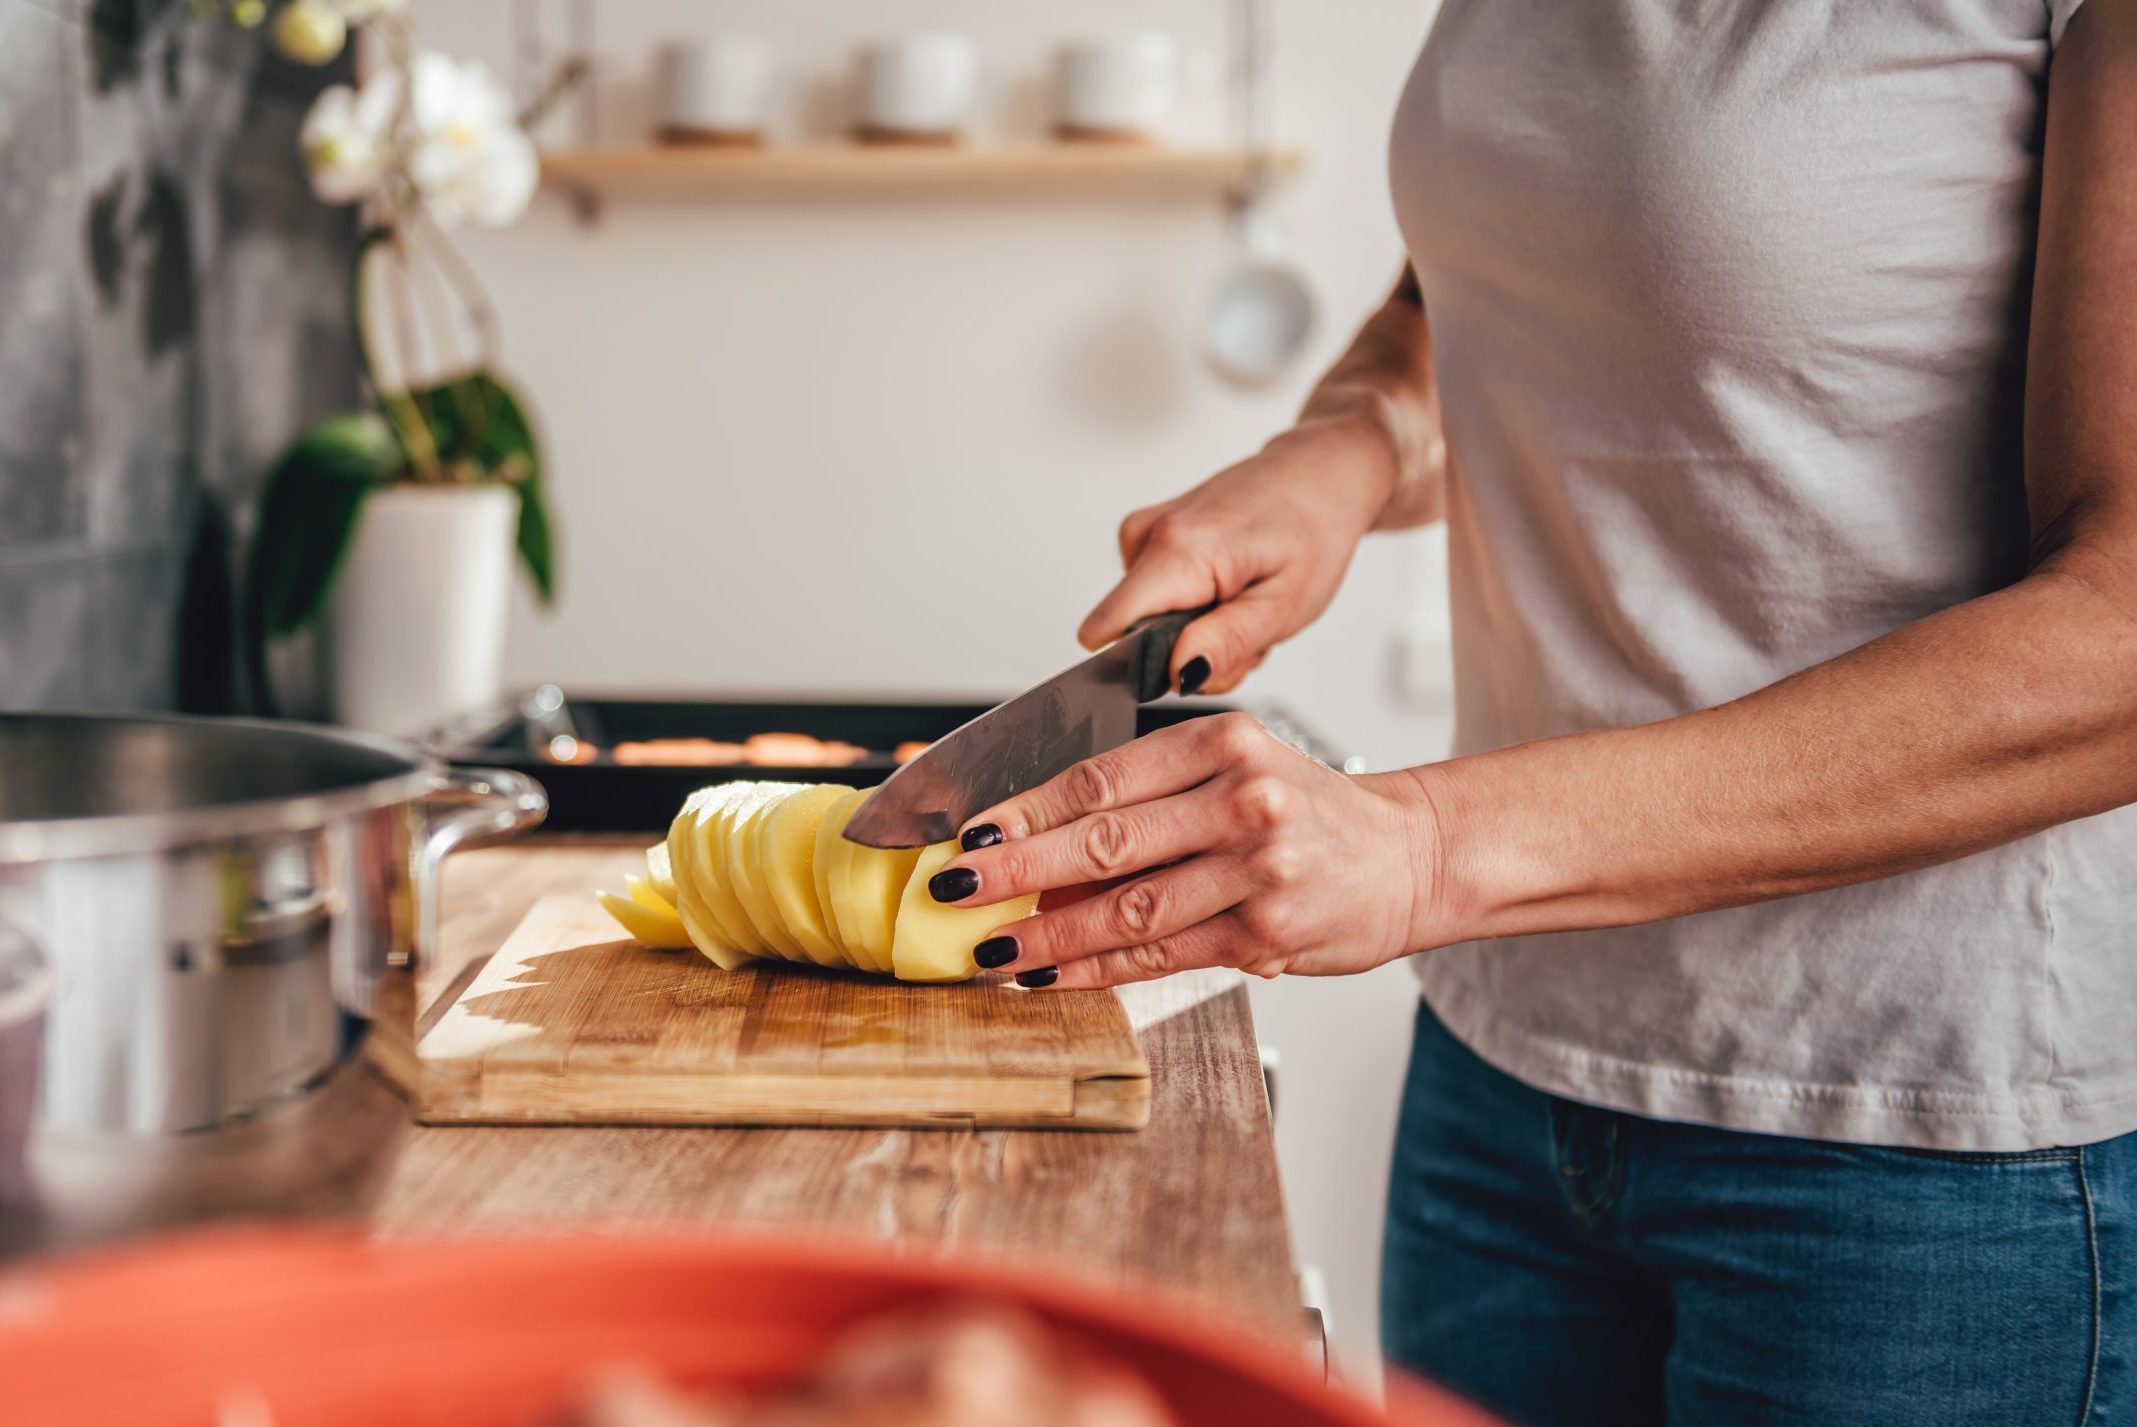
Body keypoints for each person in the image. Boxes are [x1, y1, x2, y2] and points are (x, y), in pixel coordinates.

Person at [918, 1, 2137, 1422]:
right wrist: (1352, 442)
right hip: (1501, 1077)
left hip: (1910, 1150)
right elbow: (1496, 280)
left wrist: (1426, 848)